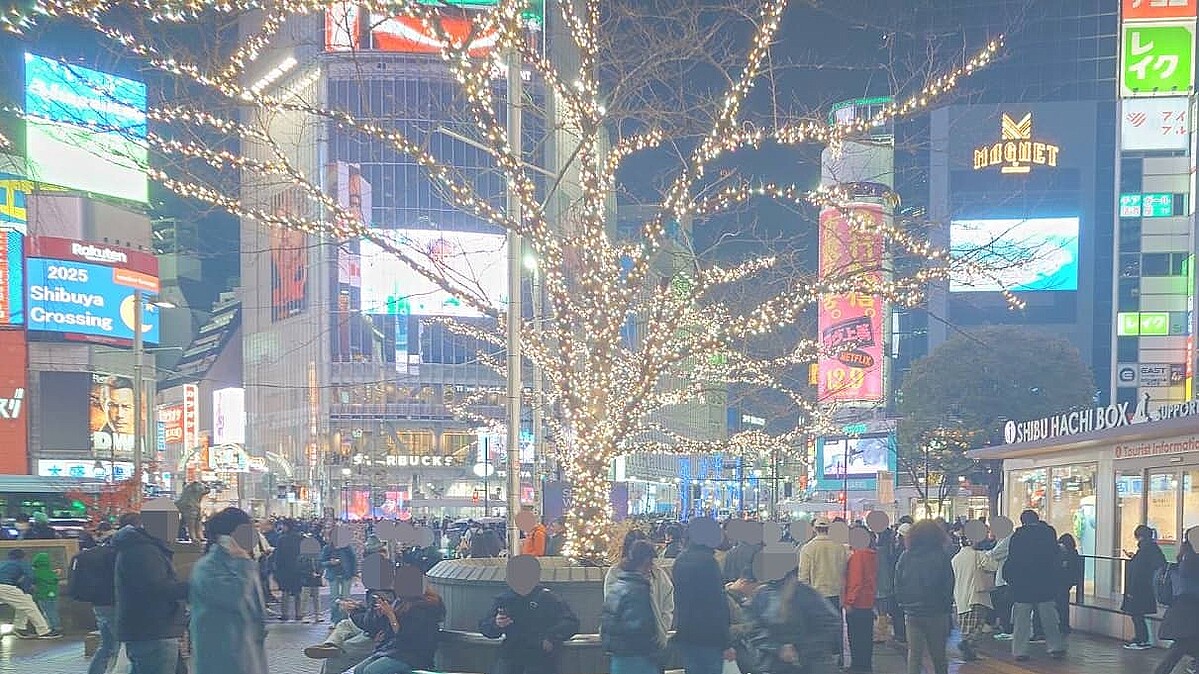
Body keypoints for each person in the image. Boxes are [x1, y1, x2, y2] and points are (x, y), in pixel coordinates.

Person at [189, 507, 268, 674]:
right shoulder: (208, 568)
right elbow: (234, 598)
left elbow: (257, 613)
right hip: (222, 658)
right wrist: (242, 562)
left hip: (247, 653)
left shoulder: (245, 565)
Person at [113, 511, 189, 674]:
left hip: (154, 629)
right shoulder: (143, 550)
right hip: (153, 630)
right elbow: (157, 588)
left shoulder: (142, 547)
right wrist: (192, 587)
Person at [479, 567, 580, 674]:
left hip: (539, 658)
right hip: (512, 655)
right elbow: (485, 627)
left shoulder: (548, 599)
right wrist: (496, 623)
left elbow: (571, 623)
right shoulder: (504, 599)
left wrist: (551, 637)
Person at [748, 568, 843, 674]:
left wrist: (801, 649)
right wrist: (777, 648)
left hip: (810, 662)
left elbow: (829, 623)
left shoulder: (806, 594)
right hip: (773, 663)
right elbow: (753, 627)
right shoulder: (762, 595)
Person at [894, 520, 954, 674]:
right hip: (936, 612)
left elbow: (898, 582)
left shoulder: (905, 556)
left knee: (914, 655)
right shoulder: (941, 556)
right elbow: (948, 584)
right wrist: (946, 607)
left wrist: (903, 603)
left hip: (912, 612)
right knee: (939, 656)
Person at [1005, 510, 1065, 661]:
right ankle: (1055, 647)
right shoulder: (1048, 533)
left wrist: (1011, 580)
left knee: (1022, 620)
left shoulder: (1018, 536)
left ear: (1023, 521)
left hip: (1023, 586)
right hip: (1045, 584)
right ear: (1037, 519)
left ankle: (1020, 651)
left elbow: (1013, 560)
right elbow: (1055, 556)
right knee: (1049, 618)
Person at [673, 532, 736, 674]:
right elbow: (717, 604)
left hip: (686, 632)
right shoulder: (709, 562)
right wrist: (726, 642)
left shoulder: (680, 560)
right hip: (710, 636)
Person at [604, 529, 675, 653]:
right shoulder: (615, 573)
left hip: (654, 644)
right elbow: (611, 609)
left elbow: (668, 605)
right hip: (626, 646)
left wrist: (662, 629)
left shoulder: (658, 574)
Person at [602, 540, 662, 674]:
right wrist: (655, 653)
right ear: (646, 561)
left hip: (618, 658)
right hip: (638, 660)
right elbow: (639, 628)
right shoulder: (639, 590)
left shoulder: (617, 586)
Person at [352, 589, 445, 674]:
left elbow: (404, 634)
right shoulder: (401, 602)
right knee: (359, 670)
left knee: (371, 671)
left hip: (413, 655)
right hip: (394, 650)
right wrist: (381, 614)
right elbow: (385, 627)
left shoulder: (424, 607)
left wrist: (390, 614)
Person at [798, 517, 849, 666]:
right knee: (835, 629)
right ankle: (837, 660)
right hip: (836, 594)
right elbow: (844, 571)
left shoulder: (807, 548)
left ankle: (819, 662)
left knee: (816, 630)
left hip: (816, 595)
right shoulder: (839, 547)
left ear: (814, 529)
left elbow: (803, 577)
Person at [950, 533, 997, 662]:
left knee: (966, 627)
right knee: (978, 625)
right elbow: (993, 566)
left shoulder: (955, 558)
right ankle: (967, 645)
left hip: (960, 598)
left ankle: (968, 652)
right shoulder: (978, 555)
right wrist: (990, 554)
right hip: (977, 596)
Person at [1155, 536, 1199, 674]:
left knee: (1179, 648)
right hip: (1193, 615)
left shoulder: (1177, 567)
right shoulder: (1194, 566)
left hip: (1179, 613)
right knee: (1180, 648)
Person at [1123, 524, 1167, 650]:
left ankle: (1141, 639)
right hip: (1145, 587)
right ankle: (1141, 639)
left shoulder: (1145, 549)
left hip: (1139, 587)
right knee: (1138, 614)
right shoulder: (1151, 549)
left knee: (1136, 614)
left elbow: (1140, 569)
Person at [843, 528, 878, 674]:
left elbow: (856, 581)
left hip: (857, 603)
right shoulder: (872, 554)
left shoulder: (858, 555)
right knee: (866, 638)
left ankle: (857, 666)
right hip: (868, 601)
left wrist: (849, 601)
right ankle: (865, 666)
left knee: (856, 637)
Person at [0, 549, 57, 639]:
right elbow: (30, 576)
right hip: (5, 586)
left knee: (23, 604)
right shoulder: (22, 563)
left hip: (5, 585)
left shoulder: (3, 563)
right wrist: (25, 589)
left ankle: (19, 627)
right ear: (23, 556)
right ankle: (44, 631)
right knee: (30, 607)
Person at [272, 519, 304, 621]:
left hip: (285, 569)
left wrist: (276, 568)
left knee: (285, 592)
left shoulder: (282, 539)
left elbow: (278, 555)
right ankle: (299, 613)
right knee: (298, 592)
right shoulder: (300, 538)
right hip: (298, 568)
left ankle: (284, 613)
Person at [322, 536, 358, 623]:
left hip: (346, 574)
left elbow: (353, 560)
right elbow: (322, 561)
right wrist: (330, 562)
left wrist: (354, 573)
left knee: (345, 598)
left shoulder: (347, 547)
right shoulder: (327, 548)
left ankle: (344, 620)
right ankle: (334, 620)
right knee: (334, 598)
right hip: (333, 575)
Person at [1057, 534, 1083, 635]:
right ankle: (1064, 625)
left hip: (1061, 582)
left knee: (1060, 604)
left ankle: (1062, 625)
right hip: (1067, 583)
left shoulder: (1064, 554)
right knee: (1064, 604)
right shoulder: (1074, 553)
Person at [31, 552, 61, 633]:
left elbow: (32, 582)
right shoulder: (50, 571)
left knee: (47, 611)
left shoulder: (35, 572)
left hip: (43, 594)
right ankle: (57, 626)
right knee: (53, 610)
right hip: (53, 594)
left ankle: (52, 628)